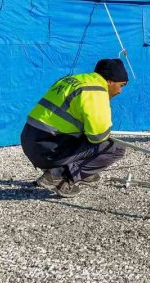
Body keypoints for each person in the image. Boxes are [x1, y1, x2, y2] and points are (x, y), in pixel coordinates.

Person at [21, 59, 129, 198]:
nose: (120, 91)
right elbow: (98, 137)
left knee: (85, 135)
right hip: (47, 150)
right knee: (115, 148)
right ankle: (60, 176)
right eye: (121, 85)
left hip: (29, 140)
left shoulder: (72, 80)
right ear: (110, 81)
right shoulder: (96, 91)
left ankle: (76, 171)